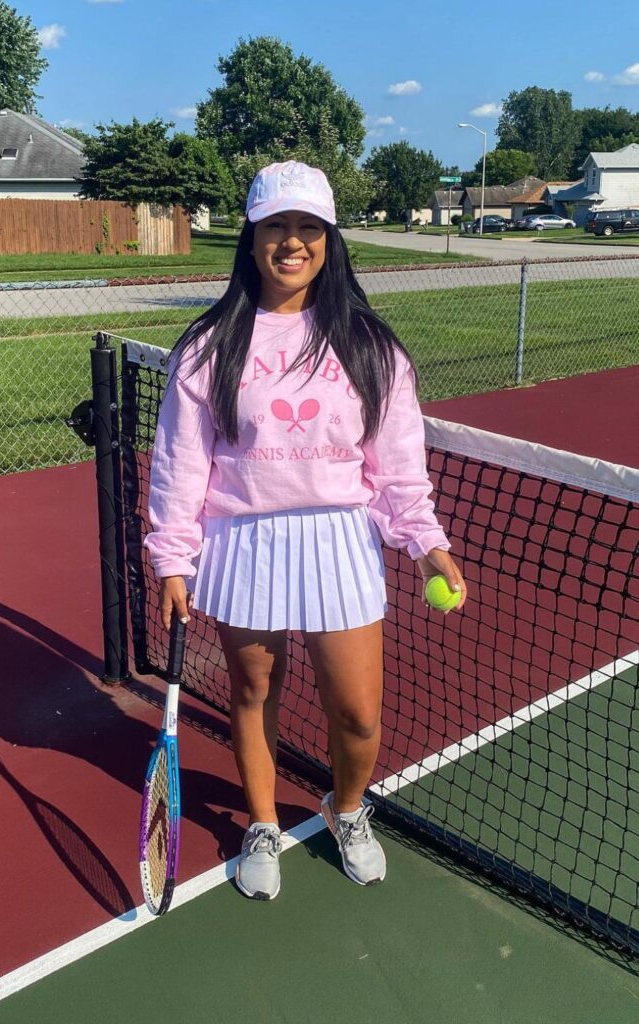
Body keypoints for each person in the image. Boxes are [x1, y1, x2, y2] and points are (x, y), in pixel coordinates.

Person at [144, 160, 467, 901]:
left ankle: (346, 808)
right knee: (253, 692)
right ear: (252, 236)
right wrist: (170, 557)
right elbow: (179, 465)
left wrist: (425, 543)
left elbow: (396, 466)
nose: (292, 242)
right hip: (243, 544)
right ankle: (261, 822)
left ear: (329, 238)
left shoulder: (369, 345)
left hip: (340, 543)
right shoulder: (206, 347)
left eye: (308, 227)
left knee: (356, 714)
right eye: (276, 226)